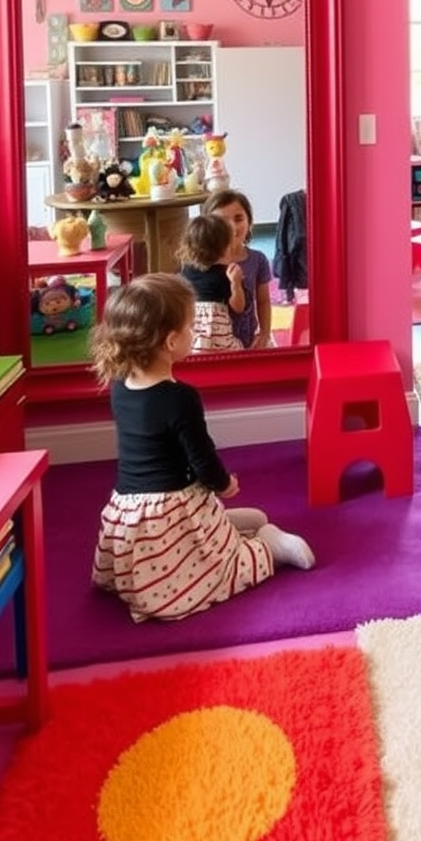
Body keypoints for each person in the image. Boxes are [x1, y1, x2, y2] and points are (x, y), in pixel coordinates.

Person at [90, 273, 314, 622]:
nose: (195, 332)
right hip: (168, 513)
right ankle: (269, 546)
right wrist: (225, 486)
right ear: (169, 341)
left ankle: (221, 526)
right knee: (211, 575)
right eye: (191, 326)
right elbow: (201, 459)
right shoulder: (180, 398)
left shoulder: (120, 384)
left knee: (208, 518)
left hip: (130, 511)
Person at [203, 187, 273, 349]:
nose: (232, 227)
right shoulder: (202, 263)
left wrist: (265, 333)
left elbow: (263, 301)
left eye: (238, 218)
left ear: (249, 221)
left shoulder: (258, 259)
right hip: (211, 345)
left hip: (248, 340)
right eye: (222, 221)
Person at [176, 212, 245, 352]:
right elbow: (239, 308)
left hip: (193, 339)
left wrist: (235, 284)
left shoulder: (185, 271)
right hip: (217, 337)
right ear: (222, 249)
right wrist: (236, 284)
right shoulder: (226, 273)